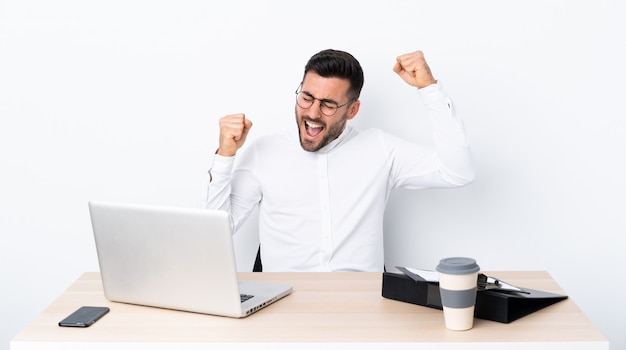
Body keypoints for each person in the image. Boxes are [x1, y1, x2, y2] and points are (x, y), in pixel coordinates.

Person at [205, 49, 475, 272]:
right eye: (307, 98)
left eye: (328, 105)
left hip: (363, 304)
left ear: (353, 110)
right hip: (283, 304)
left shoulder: (381, 148)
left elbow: (457, 172)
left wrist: (429, 89)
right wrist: (225, 156)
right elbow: (216, 232)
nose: (312, 113)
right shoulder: (264, 151)